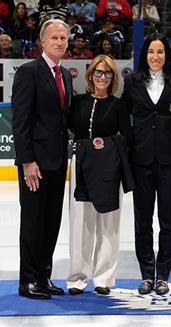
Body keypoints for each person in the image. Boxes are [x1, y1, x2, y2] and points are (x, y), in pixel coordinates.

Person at [11, 19, 72, 299]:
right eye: (54, 38)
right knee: (33, 221)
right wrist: (27, 162)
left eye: (64, 38)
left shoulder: (66, 75)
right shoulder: (28, 72)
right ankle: (27, 281)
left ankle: (43, 276)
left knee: (51, 221)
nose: (60, 42)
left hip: (58, 162)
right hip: (34, 164)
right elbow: (20, 121)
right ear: (42, 42)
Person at [122, 33, 171, 296]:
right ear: (144, 54)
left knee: (168, 220)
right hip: (141, 160)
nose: (156, 57)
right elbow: (123, 118)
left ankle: (164, 275)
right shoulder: (131, 81)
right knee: (143, 220)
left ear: (167, 55)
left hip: (170, 159)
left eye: (160, 52)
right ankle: (147, 275)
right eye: (151, 52)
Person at [67, 54, 132, 296]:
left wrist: (105, 146)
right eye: (98, 72)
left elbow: (127, 137)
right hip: (82, 167)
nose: (102, 77)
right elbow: (70, 131)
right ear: (90, 75)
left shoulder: (118, 105)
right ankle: (77, 277)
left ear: (113, 77)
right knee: (80, 223)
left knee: (108, 225)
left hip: (109, 168)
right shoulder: (78, 102)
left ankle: (103, 277)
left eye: (107, 73)